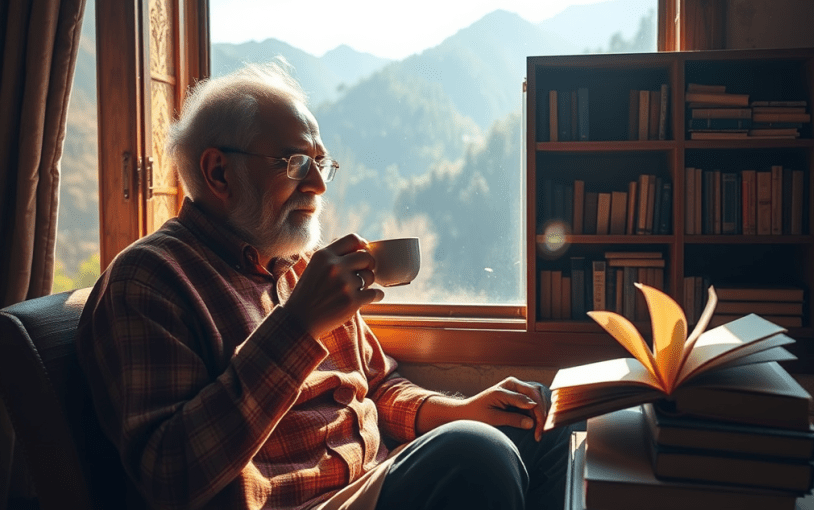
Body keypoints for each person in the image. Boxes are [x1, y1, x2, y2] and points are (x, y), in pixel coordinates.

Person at [76, 59, 571, 510]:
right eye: (295, 163)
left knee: (545, 425)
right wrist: (296, 327)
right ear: (218, 172)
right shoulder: (150, 279)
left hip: (370, 479)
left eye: (321, 162)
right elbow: (168, 476)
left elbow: (378, 387)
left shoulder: (299, 268)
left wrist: (461, 409)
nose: (317, 185)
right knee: (476, 455)